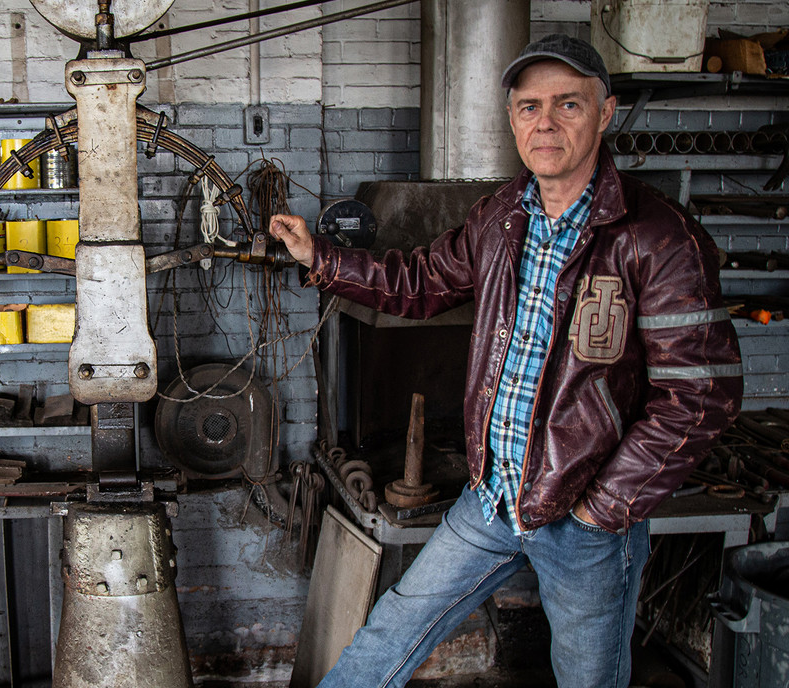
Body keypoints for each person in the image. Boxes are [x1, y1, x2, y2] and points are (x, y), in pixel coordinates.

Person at [270, 34, 743, 688]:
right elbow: (419, 283)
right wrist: (320, 259)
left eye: (567, 105)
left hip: (586, 520)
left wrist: (601, 508)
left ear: (605, 112)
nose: (544, 121)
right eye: (528, 107)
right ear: (512, 118)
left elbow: (699, 397)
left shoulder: (658, 236)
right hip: (491, 499)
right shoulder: (500, 217)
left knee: (586, 678)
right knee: (393, 626)